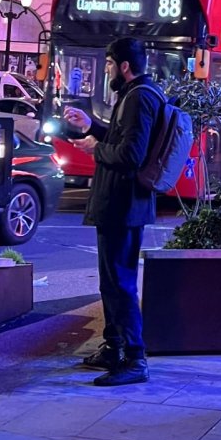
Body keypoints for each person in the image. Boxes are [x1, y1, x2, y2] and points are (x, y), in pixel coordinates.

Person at [64, 37, 162, 386]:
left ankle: (135, 359)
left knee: (120, 283)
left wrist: (95, 148)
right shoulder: (135, 96)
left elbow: (130, 156)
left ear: (123, 66)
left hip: (123, 205)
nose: (105, 70)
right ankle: (113, 345)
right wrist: (89, 126)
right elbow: (121, 140)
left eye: (108, 64)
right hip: (119, 205)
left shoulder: (139, 98)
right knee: (110, 281)